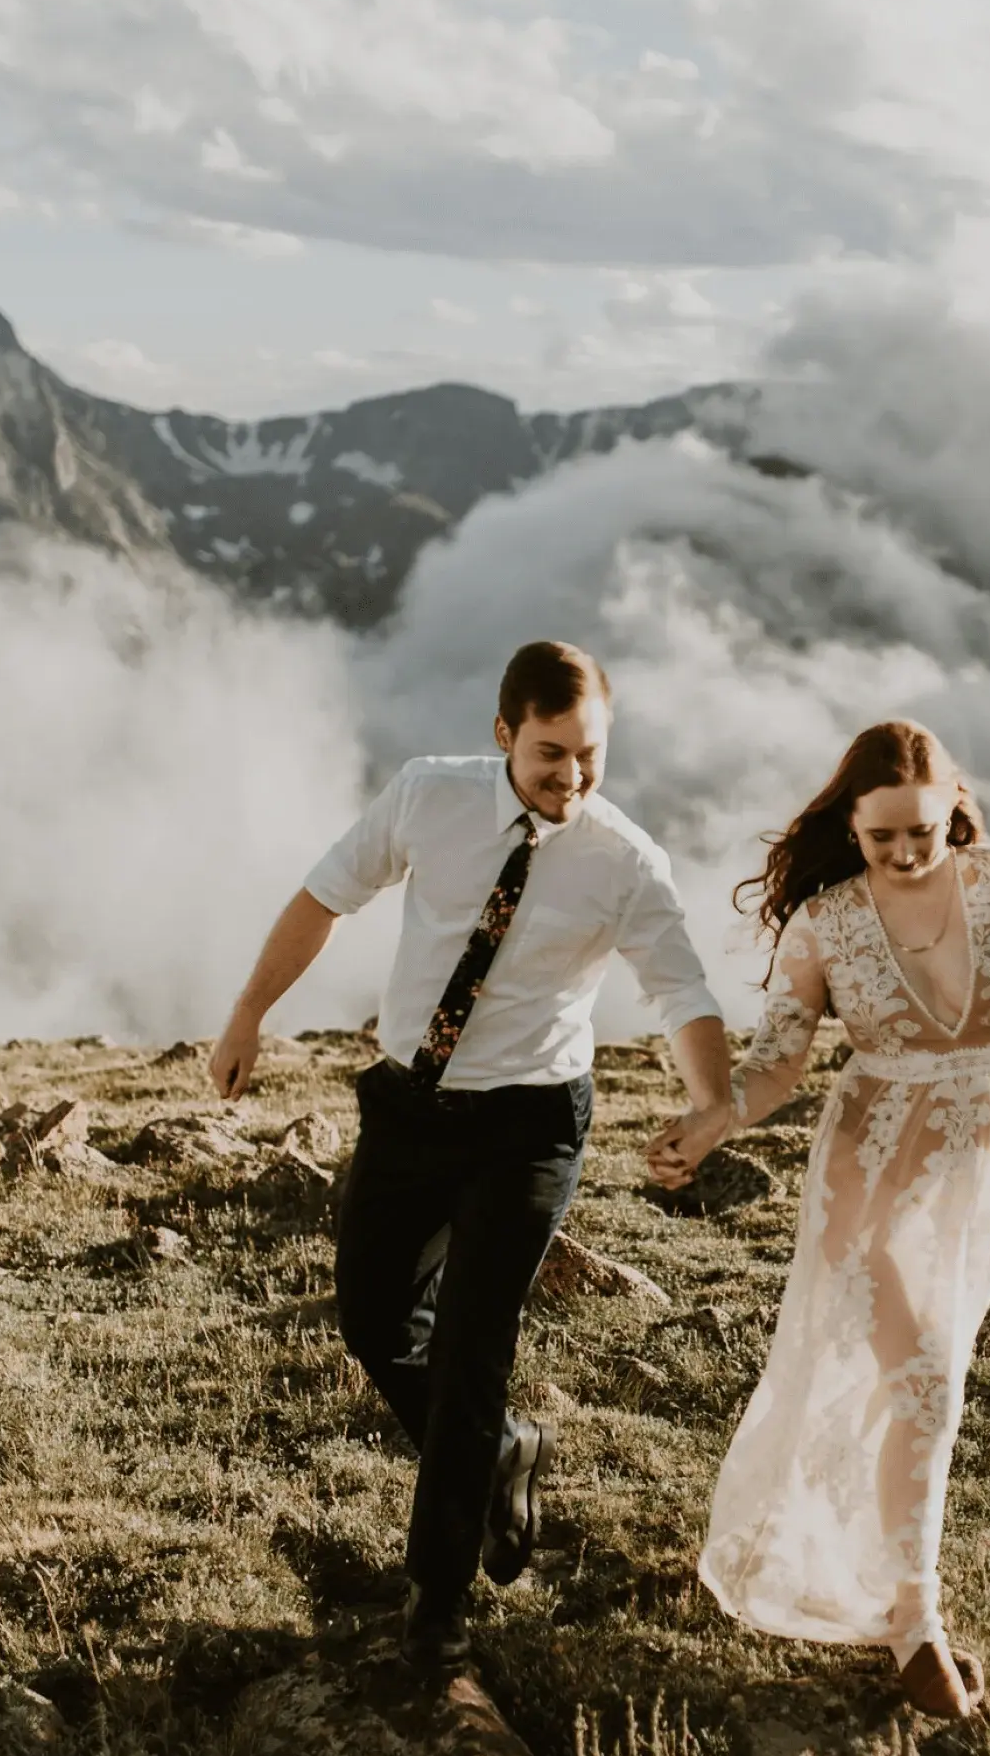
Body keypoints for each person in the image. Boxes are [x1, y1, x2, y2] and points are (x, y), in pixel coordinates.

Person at [210, 640, 733, 1672]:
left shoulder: (624, 860)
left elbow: (683, 991)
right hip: (410, 1107)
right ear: (503, 735)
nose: (572, 778)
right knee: (369, 1317)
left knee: (470, 1351)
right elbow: (324, 896)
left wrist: (712, 1098)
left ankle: (435, 1605)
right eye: (550, 754)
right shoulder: (426, 796)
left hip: (529, 1125)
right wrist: (246, 1015)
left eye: (590, 755)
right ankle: (498, 1450)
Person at [648, 721, 990, 1720]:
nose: (906, 852)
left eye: (923, 830)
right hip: (867, 1161)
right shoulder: (825, 922)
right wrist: (712, 1118)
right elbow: (776, 1061)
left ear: (954, 804)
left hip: (979, 1165)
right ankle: (916, 1621)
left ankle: (857, 1557)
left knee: (910, 1382)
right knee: (925, 1379)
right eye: (882, 838)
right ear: (848, 828)